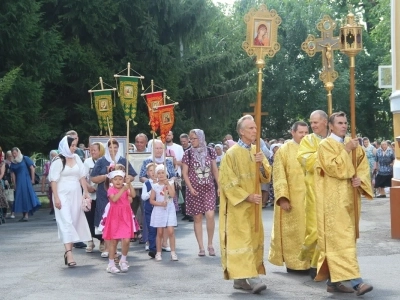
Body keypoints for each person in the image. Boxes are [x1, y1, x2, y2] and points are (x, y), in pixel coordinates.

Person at [314, 112, 373, 296]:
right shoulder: (325, 145)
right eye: (340, 123)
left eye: (346, 123)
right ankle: (357, 283)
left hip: (349, 199)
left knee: (343, 241)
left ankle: (333, 282)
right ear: (331, 126)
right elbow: (333, 168)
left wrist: (360, 180)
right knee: (342, 240)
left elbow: (363, 167)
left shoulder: (353, 144)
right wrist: (346, 150)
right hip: (332, 203)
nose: (344, 126)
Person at [218, 115, 271, 294]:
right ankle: (253, 278)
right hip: (239, 207)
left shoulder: (256, 150)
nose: (255, 130)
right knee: (243, 241)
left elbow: (266, 176)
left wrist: (261, 165)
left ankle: (240, 280)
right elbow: (227, 182)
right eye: (250, 128)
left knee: (253, 239)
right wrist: (247, 196)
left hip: (254, 206)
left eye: (255, 128)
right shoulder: (231, 154)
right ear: (241, 132)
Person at [268, 121, 310, 273]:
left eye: (306, 132)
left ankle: (312, 264)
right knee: (294, 233)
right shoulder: (284, 150)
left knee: (310, 232)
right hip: (292, 200)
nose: (304, 136)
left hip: (311, 199)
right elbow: (278, 175)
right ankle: (295, 264)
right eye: (301, 133)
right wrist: (283, 198)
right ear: (293, 133)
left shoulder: (313, 148)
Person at [49, 136, 92, 267]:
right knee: (66, 222)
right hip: (62, 194)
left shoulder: (77, 158)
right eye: (72, 145)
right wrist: (56, 197)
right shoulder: (58, 160)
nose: (74, 148)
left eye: (75, 145)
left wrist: (85, 192)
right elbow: (53, 181)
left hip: (76, 194)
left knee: (73, 221)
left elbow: (82, 177)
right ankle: (69, 253)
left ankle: (68, 251)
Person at [91, 138, 137, 258]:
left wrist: (125, 178)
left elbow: (132, 175)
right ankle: (107, 247)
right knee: (106, 219)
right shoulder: (101, 161)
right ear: (107, 148)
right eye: (111, 147)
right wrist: (106, 176)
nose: (113, 149)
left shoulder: (122, 160)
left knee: (120, 220)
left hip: (122, 196)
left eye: (115, 147)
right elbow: (93, 178)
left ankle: (119, 249)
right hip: (104, 194)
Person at [296, 110, 329, 279]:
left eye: (316, 122)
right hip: (314, 191)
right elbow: (305, 161)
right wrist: (326, 152)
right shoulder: (308, 141)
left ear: (325, 121)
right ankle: (313, 262)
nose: (313, 125)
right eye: (311, 122)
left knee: (332, 229)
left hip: (333, 192)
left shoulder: (337, 139)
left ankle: (325, 265)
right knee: (315, 229)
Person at [182, 129, 219, 257]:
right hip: (194, 190)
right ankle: (201, 247)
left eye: (194, 138)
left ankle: (210, 244)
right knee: (197, 217)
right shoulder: (188, 154)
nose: (192, 141)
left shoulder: (210, 151)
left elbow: (215, 170)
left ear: (201, 138)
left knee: (210, 215)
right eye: (190, 139)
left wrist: (219, 186)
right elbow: (184, 173)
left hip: (208, 188)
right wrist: (190, 187)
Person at [103, 165, 136, 273]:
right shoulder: (111, 190)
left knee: (126, 240)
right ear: (112, 180)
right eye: (115, 179)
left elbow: (134, 195)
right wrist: (123, 189)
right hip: (115, 217)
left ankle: (123, 260)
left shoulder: (125, 187)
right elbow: (115, 199)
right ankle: (111, 264)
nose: (118, 181)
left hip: (125, 216)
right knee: (114, 241)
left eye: (120, 179)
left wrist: (129, 184)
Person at [150, 164, 177, 261]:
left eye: (163, 173)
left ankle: (173, 252)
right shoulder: (155, 186)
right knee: (160, 232)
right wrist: (160, 204)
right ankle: (158, 252)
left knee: (170, 231)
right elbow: (151, 200)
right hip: (159, 209)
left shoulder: (171, 182)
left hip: (169, 208)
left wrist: (167, 184)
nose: (161, 175)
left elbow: (172, 195)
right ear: (156, 175)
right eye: (159, 173)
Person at [83, 142, 105, 252]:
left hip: (101, 195)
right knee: (89, 218)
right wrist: (87, 187)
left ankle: (103, 241)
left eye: (95, 150)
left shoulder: (105, 162)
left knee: (101, 219)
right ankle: (90, 241)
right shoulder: (87, 162)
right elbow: (82, 177)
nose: (92, 152)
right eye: (91, 150)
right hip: (90, 194)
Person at [10, 147, 41, 221]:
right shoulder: (13, 162)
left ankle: (26, 215)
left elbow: (32, 168)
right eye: (13, 153)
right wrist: (14, 183)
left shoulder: (24, 158)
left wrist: (32, 179)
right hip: (18, 181)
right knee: (20, 197)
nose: (14, 155)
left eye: (15, 153)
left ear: (18, 152)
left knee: (26, 196)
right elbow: (12, 173)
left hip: (25, 180)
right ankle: (24, 214)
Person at [141, 163, 157, 257]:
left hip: (159, 208)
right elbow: (143, 197)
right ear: (147, 173)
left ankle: (159, 246)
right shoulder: (146, 184)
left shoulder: (161, 182)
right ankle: (152, 248)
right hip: (149, 209)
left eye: (155, 170)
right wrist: (152, 190)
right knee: (151, 229)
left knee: (159, 229)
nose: (153, 172)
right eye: (151, 170)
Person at [41, 150, 58, 216]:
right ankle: (53, 209)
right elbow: (44, 175)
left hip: (59, 184)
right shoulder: (47, 164)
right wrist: (43, 186)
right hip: (51, 184)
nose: (53, 157)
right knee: (52, 198)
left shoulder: (61, 163)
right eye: (52, 155)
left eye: (55, 155)